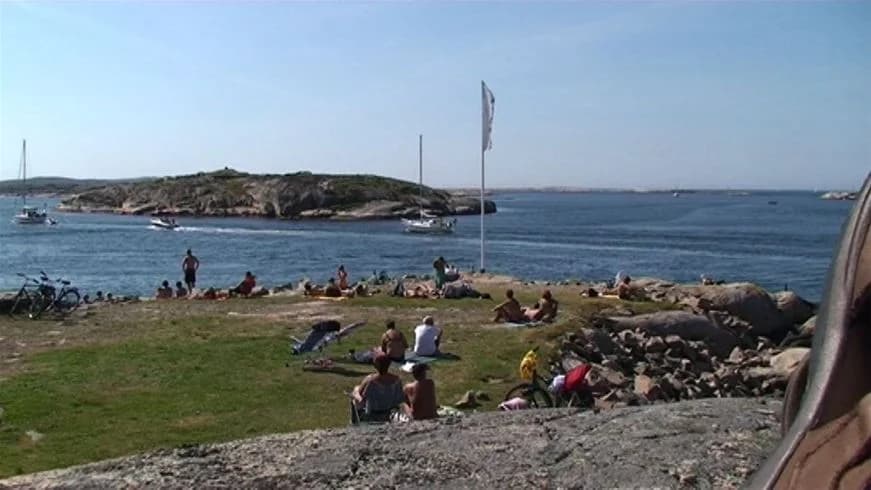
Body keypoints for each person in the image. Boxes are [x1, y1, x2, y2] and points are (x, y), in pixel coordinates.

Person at [351, 353, 405, 423]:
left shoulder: (371, 380)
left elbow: (362, 397)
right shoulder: (397, 380)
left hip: (372, 413)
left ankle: (355, 422)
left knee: (356, 390)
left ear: (376, 365)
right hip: (390, 411)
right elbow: (400, 399)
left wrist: (355, 393)